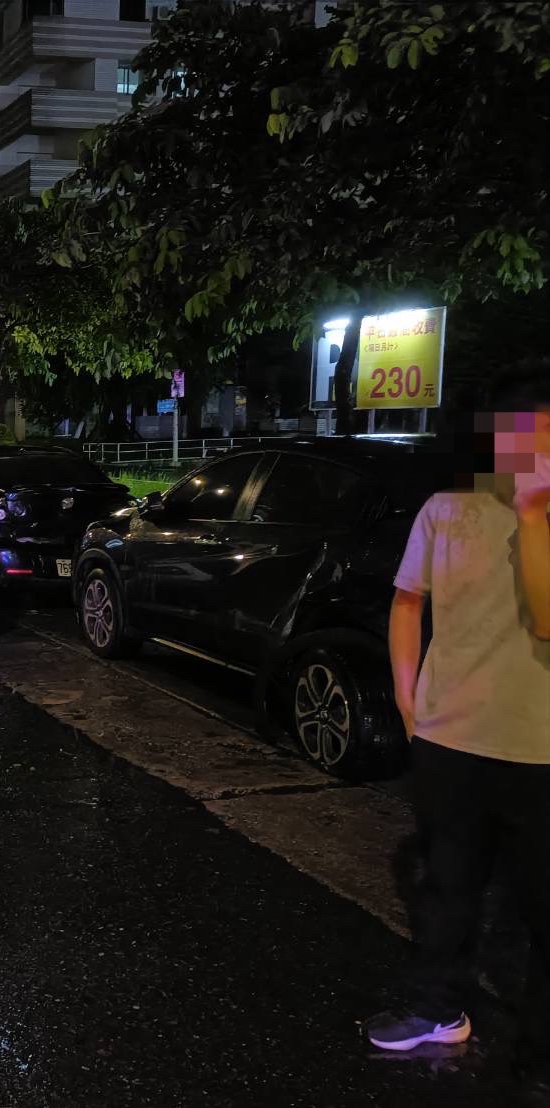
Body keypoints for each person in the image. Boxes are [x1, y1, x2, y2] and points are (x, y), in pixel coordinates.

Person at [366, 374, 550, 1094]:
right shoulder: (447, 509)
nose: (531, 453)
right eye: (520, 438)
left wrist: (533, 519)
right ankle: (438, 1010)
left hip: (539, 749)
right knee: (447, 890)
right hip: (452, 742)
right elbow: (407, 601)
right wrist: (411, 702)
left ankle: (539, 1051)